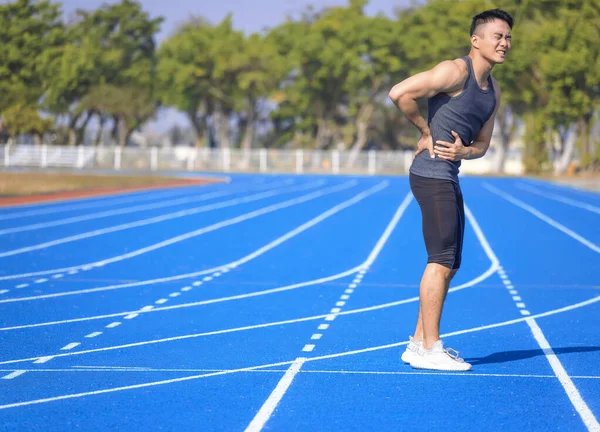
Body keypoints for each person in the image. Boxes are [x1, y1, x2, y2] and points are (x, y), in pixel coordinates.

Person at [388, 8, 513, 371]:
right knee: (441, 260)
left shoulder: (493, 91)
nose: (504, 43)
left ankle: (416, 343)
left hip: (449, 172)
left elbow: (484, 145)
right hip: (430, 173)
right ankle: (431, 347)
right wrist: (424, 131)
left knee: (451, 262)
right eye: (497, 36)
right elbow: (400, 92)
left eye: (508, 38)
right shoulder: (455, 71)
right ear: (476, 41)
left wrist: (463, 151)